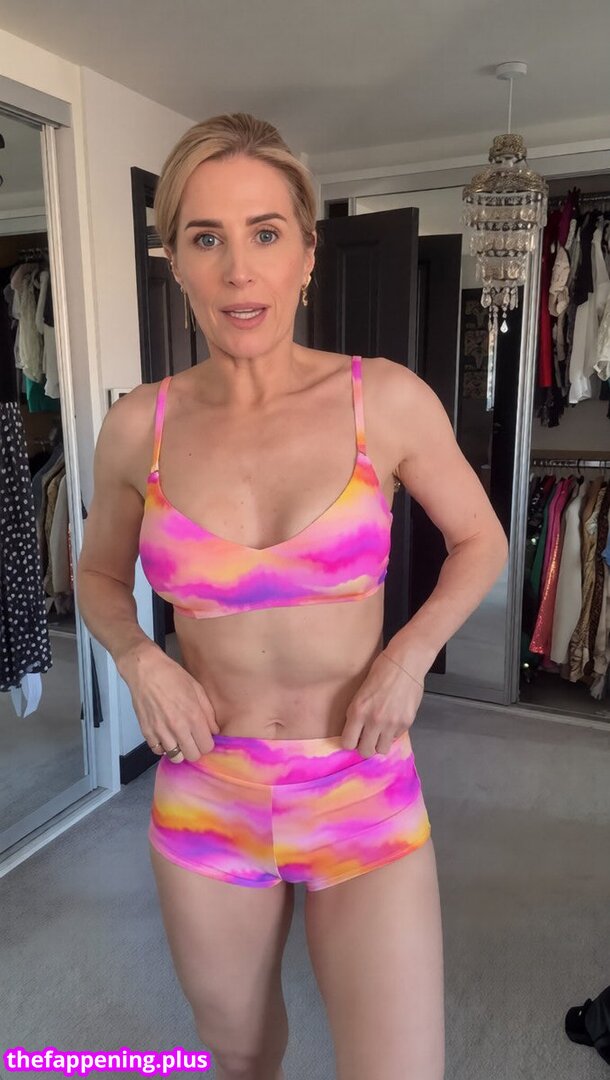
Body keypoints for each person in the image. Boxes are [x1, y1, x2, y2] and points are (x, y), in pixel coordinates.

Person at [76, 112, 508, 1080]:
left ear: (307, 255)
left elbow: (481, 541)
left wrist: (408, 657)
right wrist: (140, 658)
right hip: (207, 792)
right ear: (176, 263)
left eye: (265, 233)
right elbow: (98, 577)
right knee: (240, 1059)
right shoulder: (137, 427)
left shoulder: (382, 399)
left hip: (361, 782)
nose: (240, 270)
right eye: (207, 239)